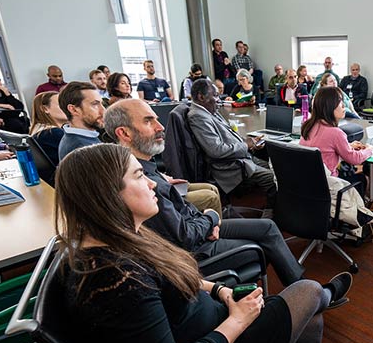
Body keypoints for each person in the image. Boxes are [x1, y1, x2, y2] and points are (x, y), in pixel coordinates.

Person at [55, 143, 361, 343]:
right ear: (106, 192)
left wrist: (217, 289)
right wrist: (238, 321)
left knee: (310, 320)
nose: (151, 184)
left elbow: (166, 276)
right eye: (138, 176)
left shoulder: (118, 240)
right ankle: (323, 298)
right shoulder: (118, 281)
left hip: (212, 325)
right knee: (307, 292)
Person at [104, 99, 307, 286]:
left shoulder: (146, 167)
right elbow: (183, 236)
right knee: (262, 243)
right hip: (195, 251)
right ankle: (304, 290)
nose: (161, 127)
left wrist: (206, 219)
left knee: (268, 227)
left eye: (157, 120)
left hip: (197, 227)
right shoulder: (138, 183)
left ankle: (302, 285)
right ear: (125, 133)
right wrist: (210, 219)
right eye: (149, 122)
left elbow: (179, 215)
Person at [187, 79, 277, 214]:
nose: (219, 99)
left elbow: (230, 135)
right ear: (201, 97)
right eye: (215, 95)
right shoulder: (198, 116)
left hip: (242, 157)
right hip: (231, 165)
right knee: (272, 179)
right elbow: (216, 150)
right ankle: (270, 215)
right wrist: (246, 145)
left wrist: (250, 143)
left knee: (277, 169)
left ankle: (277, 208)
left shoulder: (209, 111)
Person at [301, 86, 372, 195]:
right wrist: (369, 149)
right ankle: (360, 210)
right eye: (339, 102)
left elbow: (325, 148)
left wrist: (348, 145)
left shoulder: (308, 126)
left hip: (308, 184)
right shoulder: (335, 133)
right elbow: (355, 159)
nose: (344, 105)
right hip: (329, 186)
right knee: (361, 178)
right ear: (329, 106)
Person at [57, 81, 106, 161]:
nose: (103, 110)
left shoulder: (79, 138)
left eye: (102, 104)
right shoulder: (82, 148)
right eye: (95, 104)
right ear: (74, 110)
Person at [30, 91, 68, 165]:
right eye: (61, 104)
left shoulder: (39, 130)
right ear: (45, 109)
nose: (66, 108)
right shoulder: (53, 133)